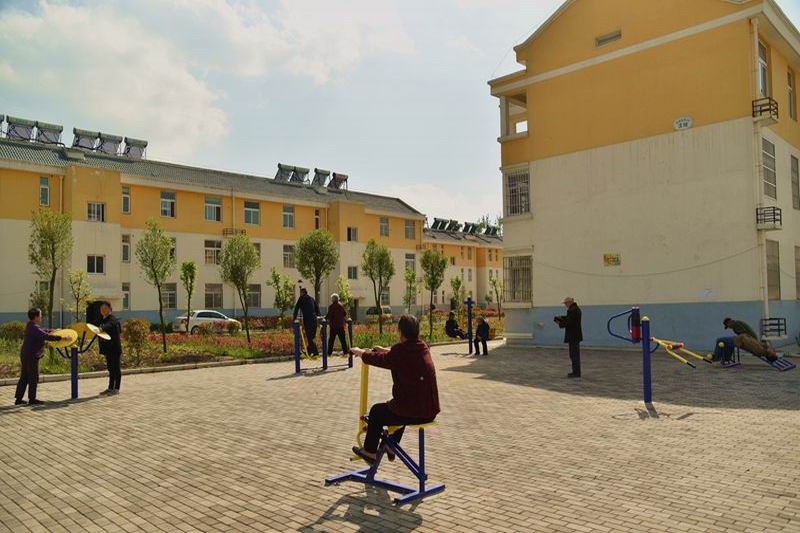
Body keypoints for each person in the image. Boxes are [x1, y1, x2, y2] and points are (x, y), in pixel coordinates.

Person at [350, 315, 440, 464]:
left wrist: (360, 352)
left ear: (401, 331)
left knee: (377, 412)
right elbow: (400, 355)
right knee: (397, 409)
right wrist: (383, 350)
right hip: (430, 411)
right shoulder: (423, 347)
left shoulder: (400, 352)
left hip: (416, 412)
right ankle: (391, 446)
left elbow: (382, 360)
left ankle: (370, 452)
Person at [15, 308, 63, 405]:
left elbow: (43, 331)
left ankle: (18, 399)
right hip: (31, 356)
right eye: (40, 315)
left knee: (24, 377)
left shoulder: (31, 325)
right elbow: (45, 336)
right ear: (36, 317)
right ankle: (32, 399)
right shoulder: (34, 328)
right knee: (33, 377)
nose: (41, 317)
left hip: (26, 354)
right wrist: (62, 338)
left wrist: (53, 330)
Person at [98, 301, 123, 394]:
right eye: (101, 309)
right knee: (110, 369)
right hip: (108, 349)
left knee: (116, 368)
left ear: (110, 309)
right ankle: (110, 387)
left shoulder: (112, 319)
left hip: (114, 348)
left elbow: (110, 325)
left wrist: (101, 329)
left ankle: (116, 388)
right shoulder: (103, 320)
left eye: (105, 308)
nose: (103, 310)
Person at [555, 296, 583, 378]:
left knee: (573, 355)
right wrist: (562, 318)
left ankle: (576, 373)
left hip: (573, 335)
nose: (565, 305)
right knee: (575, 354)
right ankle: (576, 372)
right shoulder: (576, 309)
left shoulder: (571, 310)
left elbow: (570, 322)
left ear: (569, 302)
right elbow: (571, 319)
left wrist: (560, 323)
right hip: (576, 335)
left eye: (566, 303)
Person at [293, 288, 320, 356]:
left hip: (308, 320)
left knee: (309, 337)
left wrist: (294, 318)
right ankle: (309, 351)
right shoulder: (311, 298)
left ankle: (315, 352)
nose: (300, 294)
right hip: (314, 319)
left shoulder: (301, 298)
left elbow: (296, 308)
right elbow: (317, 308)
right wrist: (318, 317)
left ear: (302, 293)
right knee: (311, 337)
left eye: (300, 293)